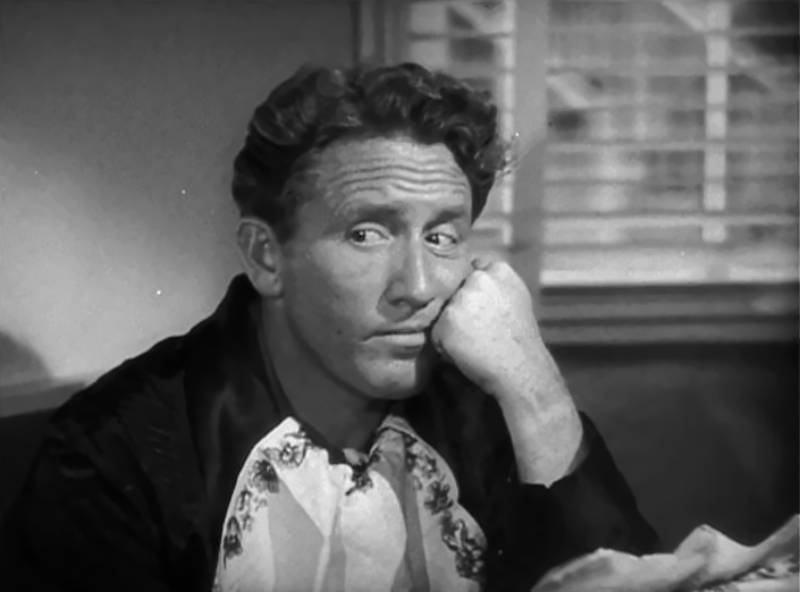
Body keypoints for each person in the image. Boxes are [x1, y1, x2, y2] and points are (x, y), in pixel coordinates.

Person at [0, 62, 657, 591]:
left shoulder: (494, 407)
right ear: (267, 257)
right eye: (367, 232)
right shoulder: (115, 452)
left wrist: (536, 392)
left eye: (443, 235)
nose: (420, 288)